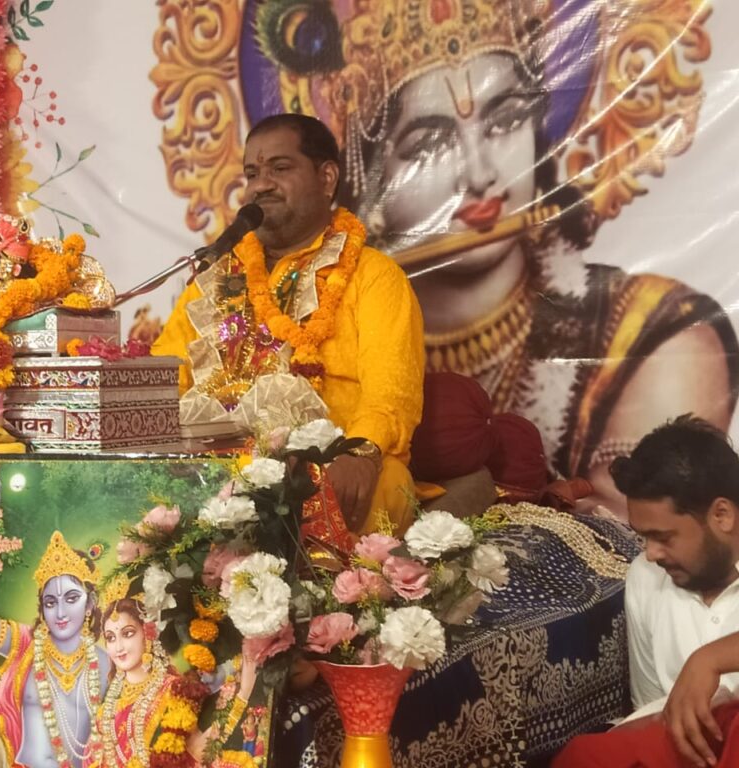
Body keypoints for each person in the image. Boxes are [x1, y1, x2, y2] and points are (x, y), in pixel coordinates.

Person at [248, 0, 739, 517]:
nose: (480, 173)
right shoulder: (242, 283)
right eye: (430, 142)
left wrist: (363, 453)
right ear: (371, 178)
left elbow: (658, 534)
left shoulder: (660, 335)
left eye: (505, 121)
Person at [152, 113, 427, 534]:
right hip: (217, 466)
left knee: (385, 482)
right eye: (252, 173)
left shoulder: (372, 276)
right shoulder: (216, 278)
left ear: (327, 177)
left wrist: (359, 452)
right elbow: (165, 374)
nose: (260, 185)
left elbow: (391, 394)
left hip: (327, 464)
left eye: (280, 168)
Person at [553, 416, 739, 767]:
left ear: (722, 515)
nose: (651, 553)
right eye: (644, 537)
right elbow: (651, 708)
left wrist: (711, 658)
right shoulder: (645, 576)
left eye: (663, 537)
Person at [0, 479, 111, 768]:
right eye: (50, 602)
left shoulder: (109, 663)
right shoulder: (25, 644)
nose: (60, 612)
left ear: (90, 604)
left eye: (72, 598)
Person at [87, 597, 257, 767]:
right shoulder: (105, 713)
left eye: (128, 634)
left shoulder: (175, 691)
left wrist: (244, 693)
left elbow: (200, 750)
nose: (118, 647)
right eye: (110, 638)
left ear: (147, 634)